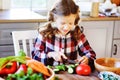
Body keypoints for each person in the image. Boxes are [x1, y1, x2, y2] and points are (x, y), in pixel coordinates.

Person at [32, 0, 96, 71]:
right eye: (63, 23)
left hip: (70, 74)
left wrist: (87, 58)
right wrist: (50, 54)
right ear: (54, 19)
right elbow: (35, 56)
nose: (66, 27)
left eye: (70, 23)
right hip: (49, 73)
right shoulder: (44, 33)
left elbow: (91, 53)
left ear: (75, 20)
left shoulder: (77, 34)